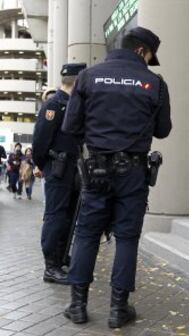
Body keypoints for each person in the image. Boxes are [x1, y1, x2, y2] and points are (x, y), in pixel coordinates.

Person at [61, 26, 172, 328]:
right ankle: (117, 310)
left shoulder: (88, 77)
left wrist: (98, 140)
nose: (149, 62)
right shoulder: (154, 83)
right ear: (140, 51)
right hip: (134, 172)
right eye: (149, 56)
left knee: (86, 234)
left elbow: (70, 126)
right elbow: (163, 130)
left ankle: (77, 305)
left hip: (96, 169)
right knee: (126, 238)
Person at [32, 63, 87, 285]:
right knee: (55, 217)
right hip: (58, 169)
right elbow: (40, 143)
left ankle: (62, 258)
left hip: (72, 169)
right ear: (77, 81)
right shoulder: (54, 105)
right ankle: (51, 266)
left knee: (69, 217)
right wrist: (46, 166)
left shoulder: (76, 104)